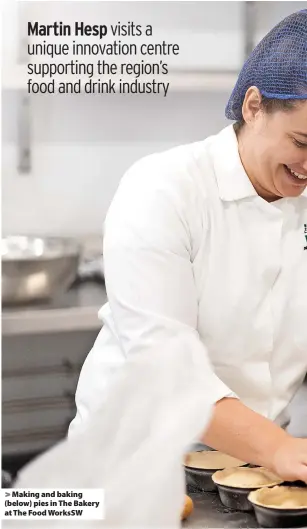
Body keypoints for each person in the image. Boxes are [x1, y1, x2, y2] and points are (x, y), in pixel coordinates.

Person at [69, 10, 307, 482]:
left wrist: (274, 452)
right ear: (253, 106)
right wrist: (277, 446)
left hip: (250, 475)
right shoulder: (164, 189)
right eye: (302, 141)